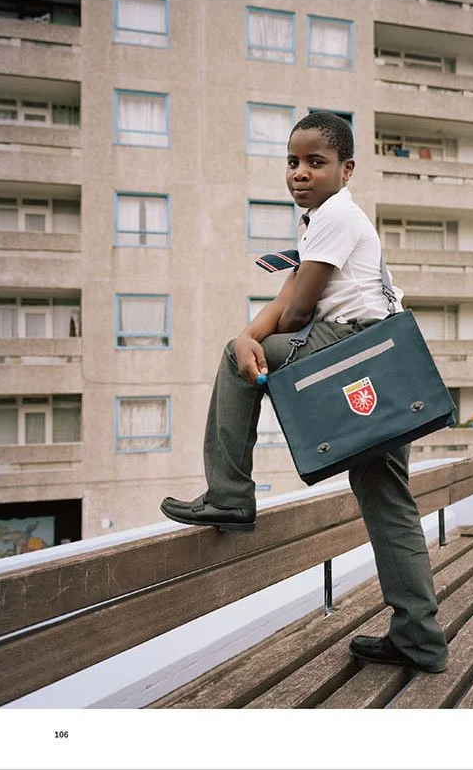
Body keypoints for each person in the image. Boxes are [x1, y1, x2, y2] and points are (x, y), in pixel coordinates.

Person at [160, 112, 448, 674]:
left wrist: (245, 343)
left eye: (316, 162)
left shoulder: (335, 214)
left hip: (350, 345)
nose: (300, 173)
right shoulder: (322, 221)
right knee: (388, 502)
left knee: (235, 358)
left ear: (346, 170)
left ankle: (230, 494)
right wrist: (249, 333)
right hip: (383, 361)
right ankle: (420, 638)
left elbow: (296, 311)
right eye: (293, 162)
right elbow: (286, 293)